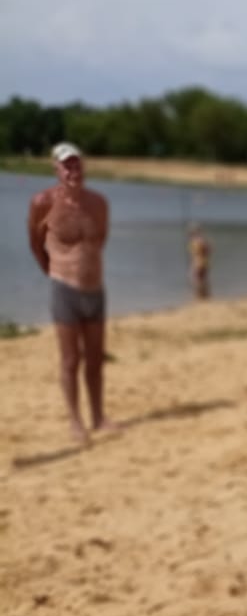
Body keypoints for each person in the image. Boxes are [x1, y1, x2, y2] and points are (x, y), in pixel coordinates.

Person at [26, 142, 117, 444]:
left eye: (76, 164)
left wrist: (86, 267)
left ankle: (98, 416)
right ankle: (75, 421)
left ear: (84, 166)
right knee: (70, 359)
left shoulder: (99, 203)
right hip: (64, 287)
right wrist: (54, 271)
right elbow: (35, 244)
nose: (72, 171)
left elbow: (99, 240)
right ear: (55, 168)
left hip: (95, 289)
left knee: (94, 358)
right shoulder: (42, 202)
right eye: (66, 165)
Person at [187, 223, 212, 300]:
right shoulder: (203, 240)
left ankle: (199, 296)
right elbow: (210, 250)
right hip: (205, 262)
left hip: (198, 263)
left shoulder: (196, 241)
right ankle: (205, 295)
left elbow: (196, 252)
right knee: (203, 279)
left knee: (197, 280)